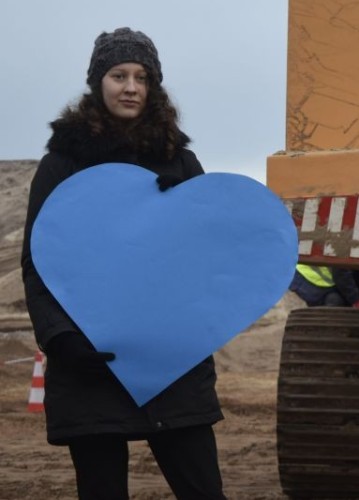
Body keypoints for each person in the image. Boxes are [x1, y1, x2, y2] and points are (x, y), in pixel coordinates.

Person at [20, 28, 226, 499]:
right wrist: (62, 338)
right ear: (98, 82)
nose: (130, 87)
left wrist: (183, 218)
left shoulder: (180, 161)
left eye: (141, 76)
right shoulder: (62, 165)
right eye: (118, 75)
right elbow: (38, 261)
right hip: (91, 365)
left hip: (171, 363)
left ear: (153, 86)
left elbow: (210, 256)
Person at [289, 263, 359, 308]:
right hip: (307, 277)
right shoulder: (347, 245)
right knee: (336, 301)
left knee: (345, 299)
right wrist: (356, 302)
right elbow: (341, 275)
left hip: (315, 277)